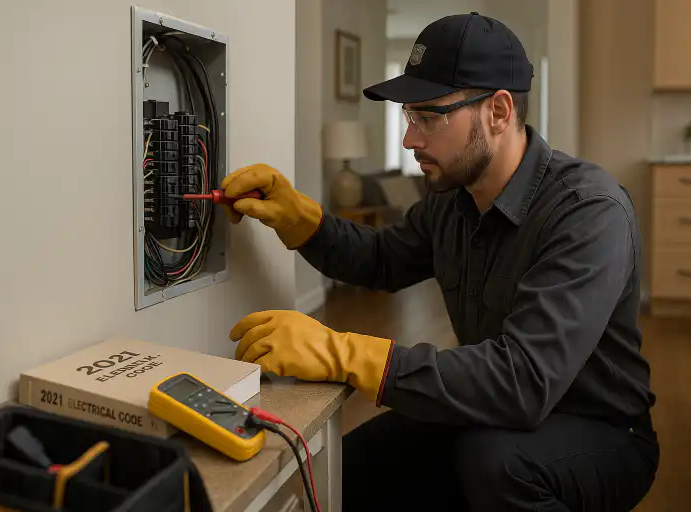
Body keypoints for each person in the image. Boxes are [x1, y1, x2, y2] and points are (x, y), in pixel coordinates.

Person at [223, 12, 659, 512]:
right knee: (349, 466)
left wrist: (343, 353)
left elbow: (523, 379)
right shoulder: (453, 200)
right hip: (494, 407)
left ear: (498, 111)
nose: (410, 139)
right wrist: (301, 219)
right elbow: (382, 259)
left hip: (599, 428)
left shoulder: (587, 212)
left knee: (494, 462)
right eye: (410, 117)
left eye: (429, 117)